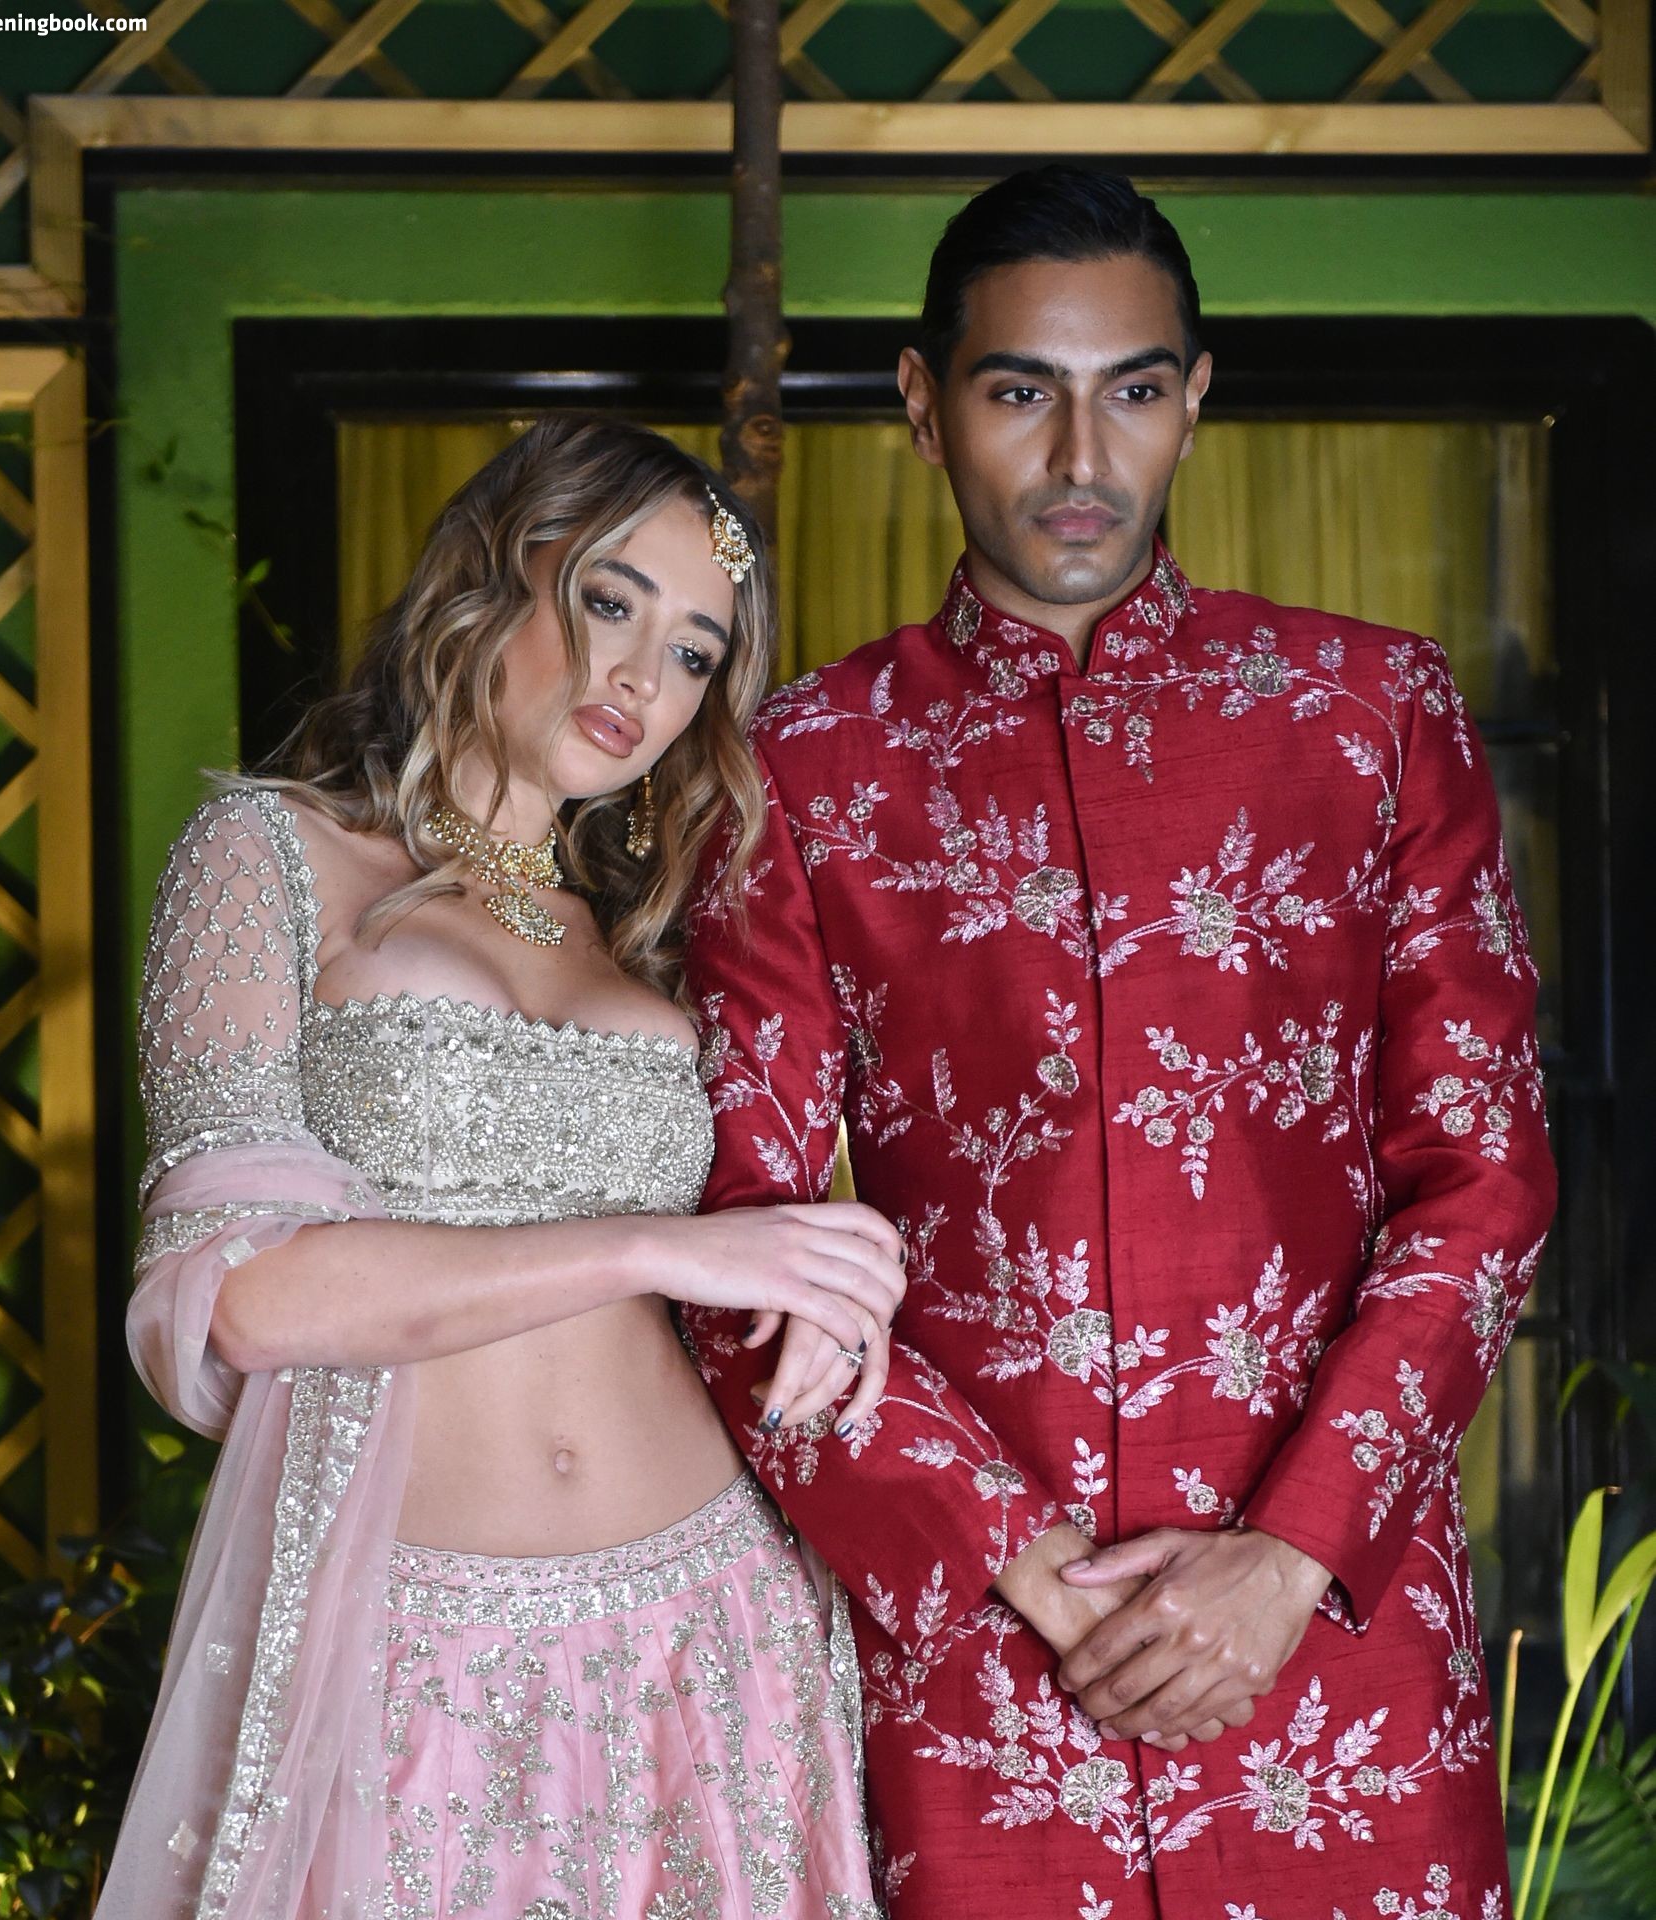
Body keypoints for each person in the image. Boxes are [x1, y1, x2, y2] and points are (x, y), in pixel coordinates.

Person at [682, 167, 1556, 1919]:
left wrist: (1290, 1553)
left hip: (1337, 1644)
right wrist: (1021, 1566)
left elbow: (1485, 1178)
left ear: (1196, 398)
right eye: (1022, 391)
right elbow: (737, 1241)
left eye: (1134, 389)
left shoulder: (1371, 720)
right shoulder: (795, 770)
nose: (1082, 456)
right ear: (924, 405)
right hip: (981, 1668)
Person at [100, 416, 894, 1919]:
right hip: (411, 1651)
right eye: (609, 601)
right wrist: (651, 1246)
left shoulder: (660, 929)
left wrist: (845, 1270)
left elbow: (797, 1201)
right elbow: (238, 1298)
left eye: (695, 652)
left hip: (712, 1633)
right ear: (489, 570)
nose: (640, 679)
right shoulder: (271, 853)